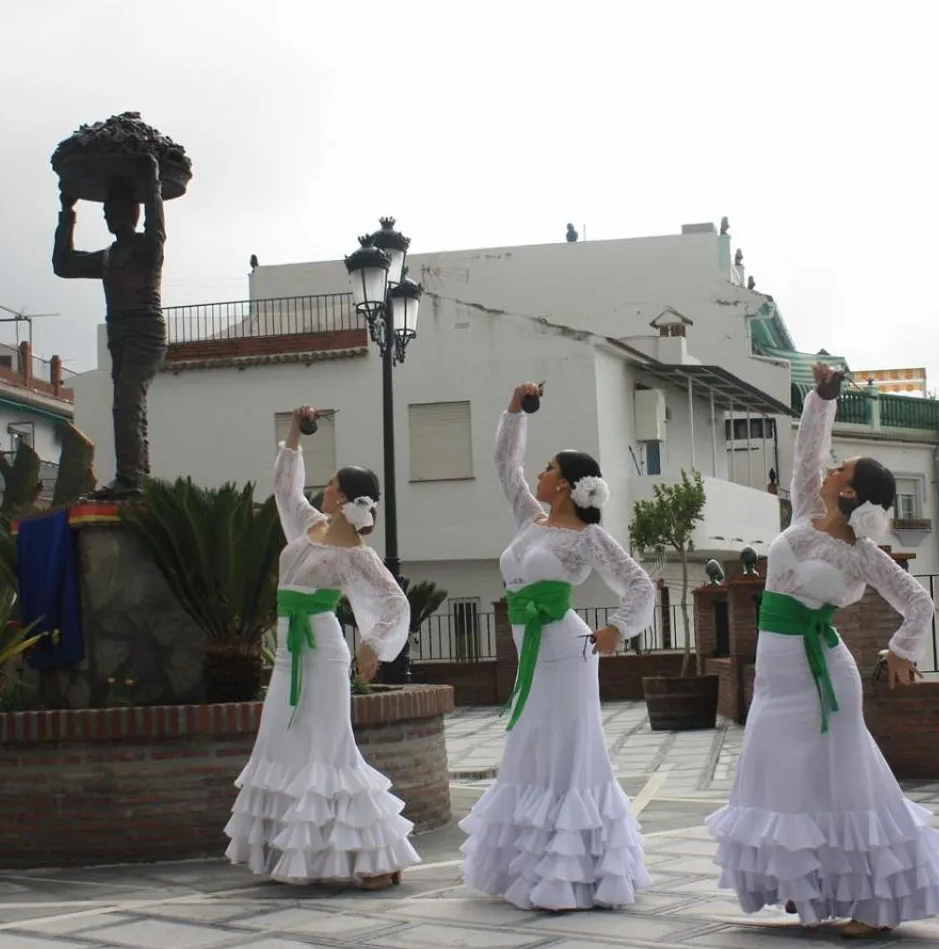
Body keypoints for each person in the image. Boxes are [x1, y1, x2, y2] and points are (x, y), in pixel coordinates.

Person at [707, 362, 939, 936]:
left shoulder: (863, 555)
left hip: (825, 675)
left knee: (847, 781)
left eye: (839, 468)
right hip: (777, 678)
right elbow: (806, 450)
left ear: (848, 490)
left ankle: (875, 901)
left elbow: (919, 603)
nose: (827, 467)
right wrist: (822, 398)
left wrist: (902, 652)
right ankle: (811, 884)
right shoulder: (802, 513)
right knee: (788, 779)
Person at [460, 382, 656, 911]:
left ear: (567, 486)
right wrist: (514, 410)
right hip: (530, 650)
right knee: (531, 747)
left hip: (567, 651)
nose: (540, 476)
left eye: (549, 469)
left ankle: (578, 872)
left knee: (570, 751)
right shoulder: (531, 519)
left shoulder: (587, 539)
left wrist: (617, 629)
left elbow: (640, 584)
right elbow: (505, 465)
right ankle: (537, 865)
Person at [225, 406, 418, 890]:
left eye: (331, 483)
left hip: (324, 651)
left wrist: (372, 646)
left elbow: (396, 602)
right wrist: (293, 431)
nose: (323, 488)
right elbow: (285, 487)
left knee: (332, 752)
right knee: (281, 743)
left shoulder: (356, 555)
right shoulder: (307, 526)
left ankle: (376, 857)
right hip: (289, 654)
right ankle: (300, 855)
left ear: (345, 498)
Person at [52, 155, 168, 499]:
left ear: (132, 213)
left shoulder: (148, 248)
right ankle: (135, 477)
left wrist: (153, 185)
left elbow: (157, 227)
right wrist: (67, 212)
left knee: (127, 404)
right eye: (106, 213)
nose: (108, 218)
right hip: (119, 336)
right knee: (129, 406)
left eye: (114, 211)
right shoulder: (106, 258)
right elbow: (63, 263)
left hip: (146, 334)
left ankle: (130, 480)